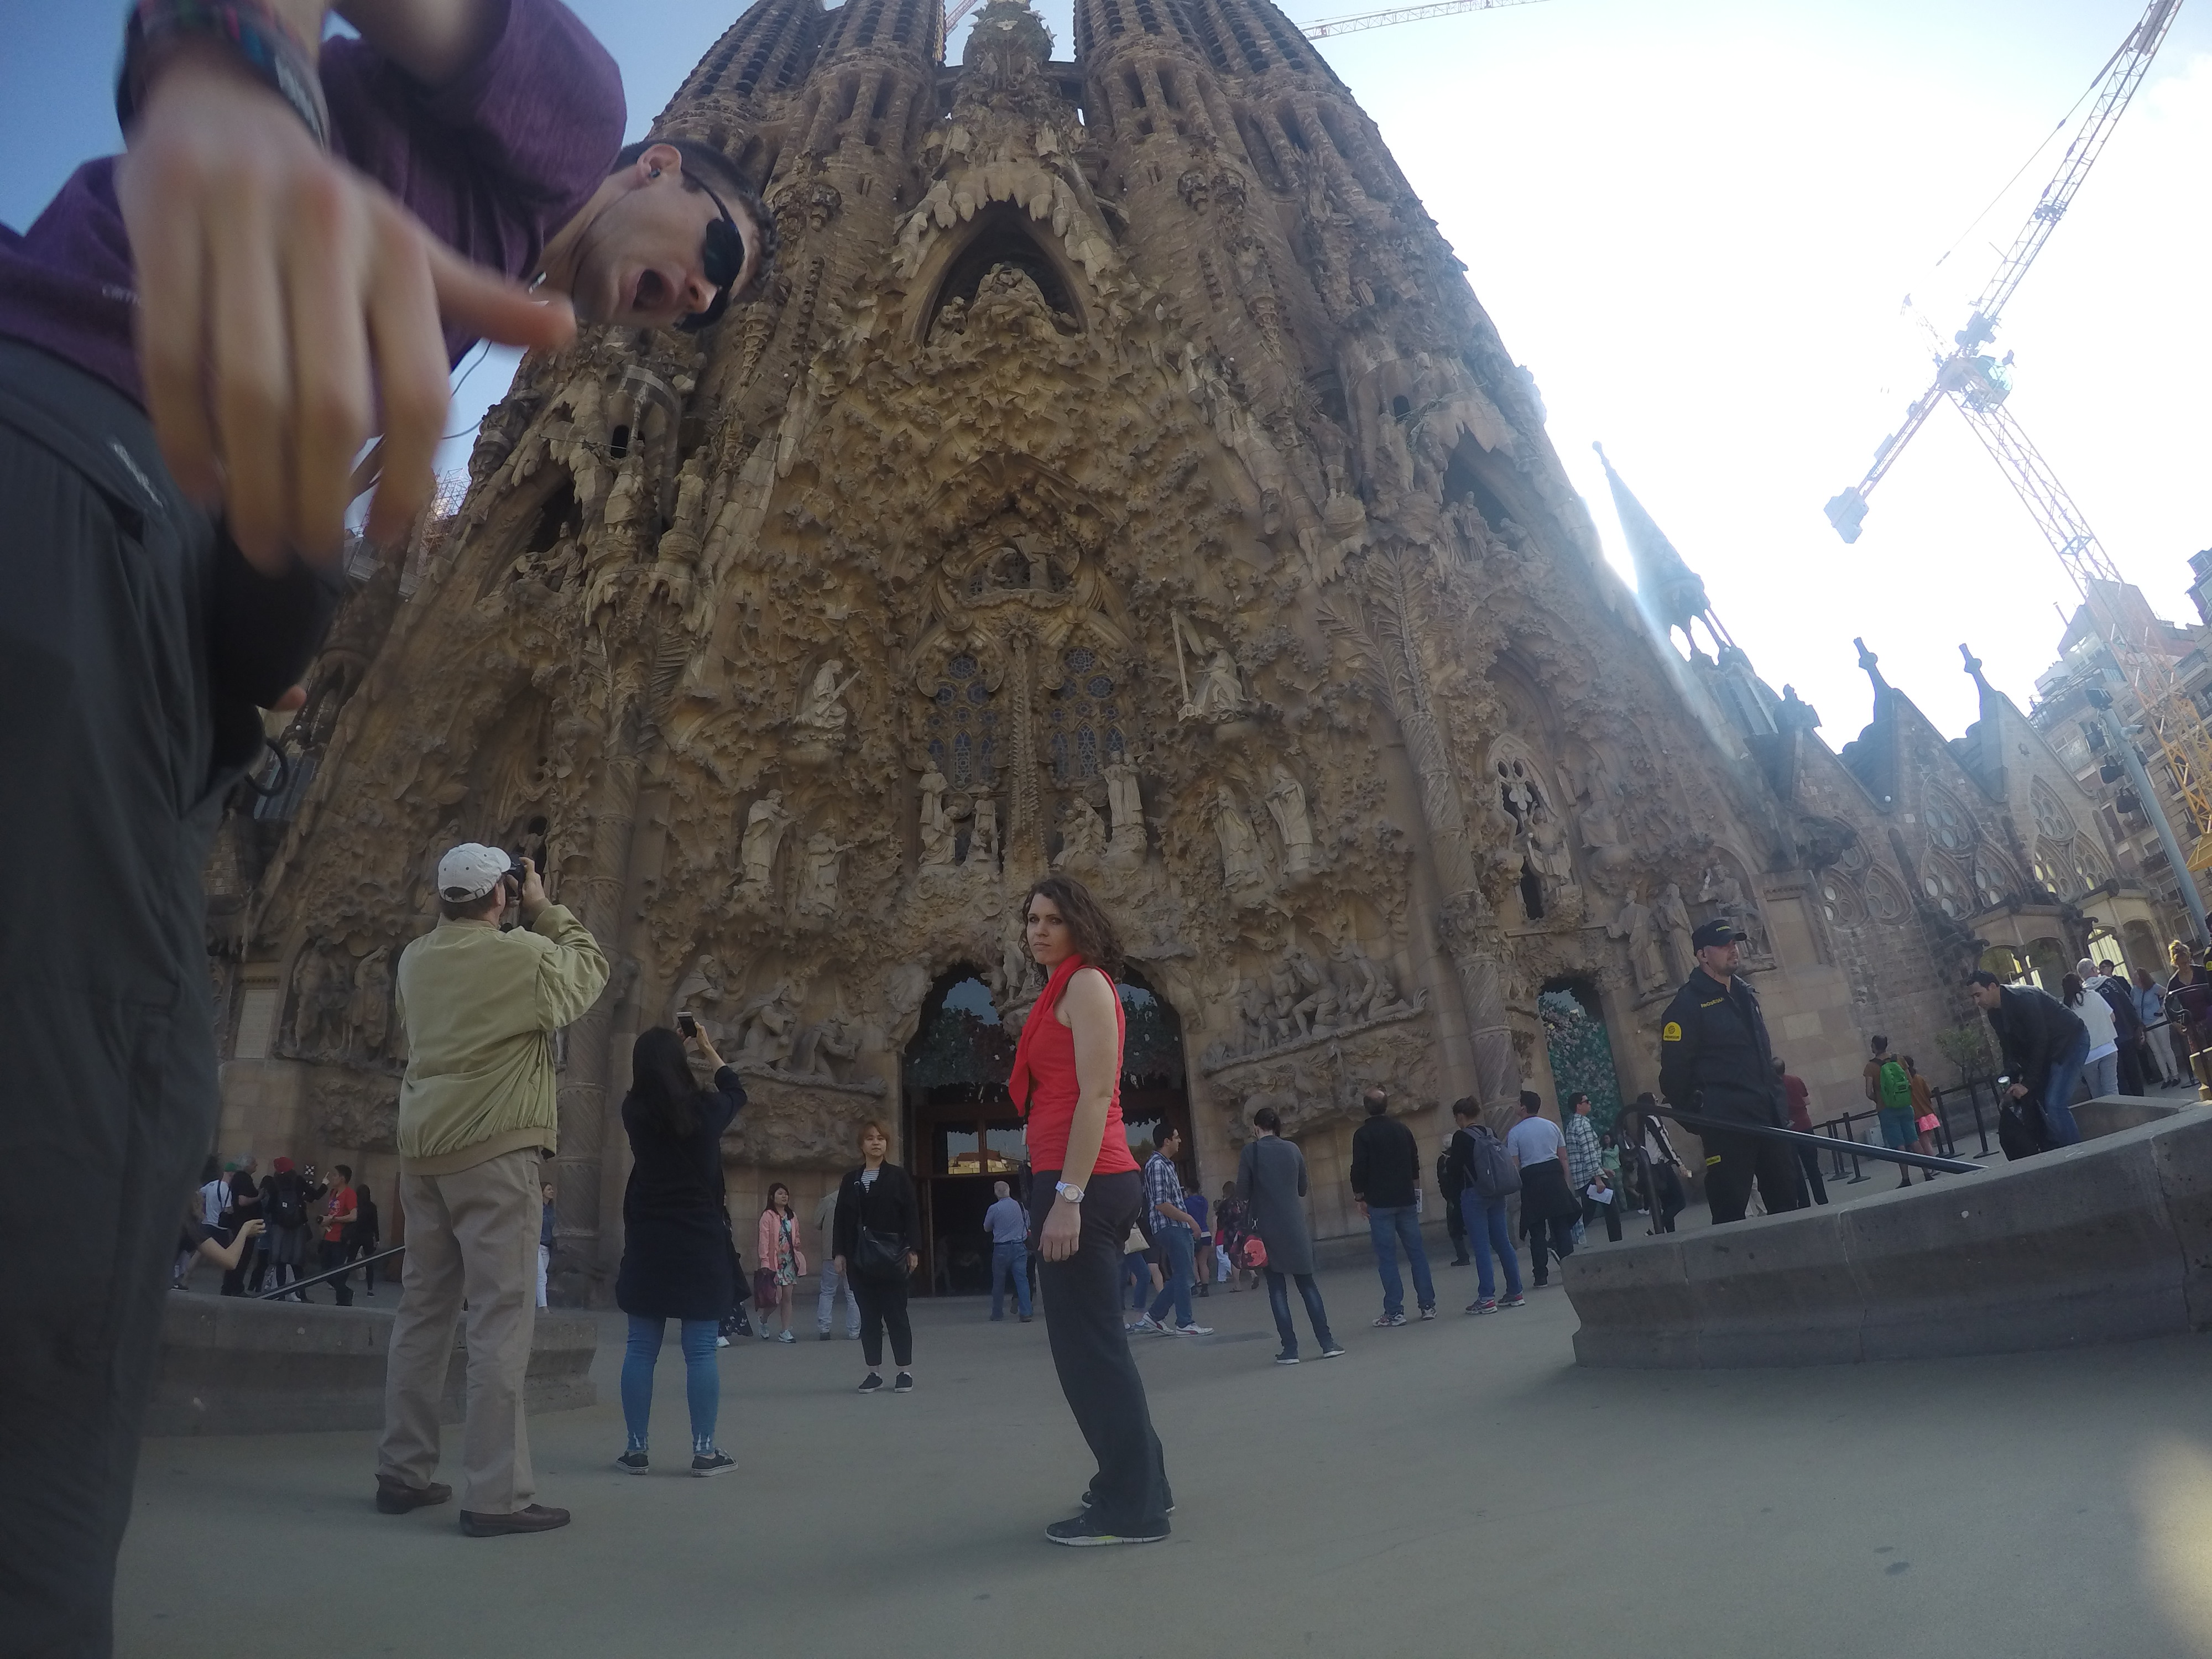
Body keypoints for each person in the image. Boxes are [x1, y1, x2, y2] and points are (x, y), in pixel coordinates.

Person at [0, 3, 770, 1638]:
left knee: (128, 1116)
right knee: (93, 1133)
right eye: (712, 248)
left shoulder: (465, 296)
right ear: (653, 166)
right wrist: (240, 97)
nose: (702, 294)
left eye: (721, 301)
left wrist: (273, 622)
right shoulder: (574, 107)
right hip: (81, 446)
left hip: (142, 560)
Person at [377, 843, 609, 1537]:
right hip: (495, 1149)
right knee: (499, 1322)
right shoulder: (521, 955)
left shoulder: (414, 960)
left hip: (421, 1152)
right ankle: (496, 1495)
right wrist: (546, 909)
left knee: (422, 1313)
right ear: (500, 895)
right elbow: (590, 970)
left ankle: (402, 1470)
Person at [1008, 875, 1174, 1545]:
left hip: (1087, 1180)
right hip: (1075, 1176)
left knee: (1089, 1354)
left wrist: (1067, 1198)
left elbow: (1096, 1093)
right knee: (1096, 1348)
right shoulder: (1060, 989)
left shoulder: (1085, 985)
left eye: (1053, 919)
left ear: (1080, 924)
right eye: (1032, 919)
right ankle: (1146, 1487)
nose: (1039, 930)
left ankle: (1130, 1509)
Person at [612, 1023, 745, 1478]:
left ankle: (636, 1450)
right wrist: (707, 1048)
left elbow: (651, 1090)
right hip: (699, 1241)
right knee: (701, 1351)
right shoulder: (707, 1110)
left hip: (650, 1239)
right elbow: (736, 1090)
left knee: (640, 1348)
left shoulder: (633, 1112)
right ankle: (704, 1451)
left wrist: (665, 1050)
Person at [1657, 919, 1804, 1224]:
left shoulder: (1745, 993)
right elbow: (1674, 1074)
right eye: (1724, 946)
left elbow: (1762, 1056)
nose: (1733, 950)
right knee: (1730, 1210)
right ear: (1702, 955)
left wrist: (1776, 1102)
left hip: (1769, 1117)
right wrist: (1702, 1119)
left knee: (1787, 1204)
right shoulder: (1686, 1006)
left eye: (1734, 944)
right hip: (1727, 1125)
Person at [1237, 1106, 1344, 1363]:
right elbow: (1302, 1188)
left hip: (1266, 1229)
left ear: (1256, 1128)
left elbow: (1242, 1192)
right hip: (1295, 1226)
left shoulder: (1251, 1152)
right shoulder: (1293, 1149)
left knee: (1277, 1289)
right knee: (1307, 1285)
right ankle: (1327, 1343)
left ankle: (1290, 1349)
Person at [832, 1122, 920, 1397]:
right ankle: (874, 1373)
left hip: (892, 1256)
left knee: (897, 1315)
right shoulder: (851, 1180)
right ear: (862, 1145)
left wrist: (913, 1249)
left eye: (881, 1138)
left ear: (887, 1144)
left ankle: (904, 1371)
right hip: (860, 1259)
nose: (876, 1142)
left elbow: (912, 1214)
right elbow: (841, 1219)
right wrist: (839, 1253)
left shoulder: (898, 1177)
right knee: (869, 1318)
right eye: (870, 1138)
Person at [1966, 969, 2086, 1148]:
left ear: (1991, 987)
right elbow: (2008, 1048)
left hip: (2071, 1042)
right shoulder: (1994, 1013)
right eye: (1973, 997)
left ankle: (2079, 1154)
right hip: (2048, 1051)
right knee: (2041, 1101)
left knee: (2055, 1104)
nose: (1976, 1002)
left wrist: (2027, 1083)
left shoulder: (2023, 998)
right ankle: (2058, 1149)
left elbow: (2040, 1040)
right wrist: (2010, 1081)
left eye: (1978, 995)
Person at [1348, 1086, 1435, 1325]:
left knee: (1387, 1259)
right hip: (1405, 1198)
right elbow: (1414, 1162)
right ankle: (1428, 1305)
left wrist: (1359, 1197)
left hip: (1380, 1202)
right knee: (1417, 1254)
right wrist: (1415, 1191)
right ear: (1387, 1105)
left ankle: (1395, 1311)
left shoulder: (1363, 1135)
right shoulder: (1402, 1129)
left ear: (1366, 1108)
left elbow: (1359, 1168)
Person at [1442, 1099, 1523, 1313]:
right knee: (1503, 1242)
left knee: (1481, 1246)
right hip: (1496, 1191)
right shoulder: (1490, 1132)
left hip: (1474, 1193)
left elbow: (1455, 1169)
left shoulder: (1461, 1137)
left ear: (1461, 1116)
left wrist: (1449, 1161)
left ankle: (1487, 1297)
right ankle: (1515, 1291)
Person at [1132, 1126, 1211, 1337]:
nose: (1180, 1141)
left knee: (1182, 1275)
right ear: (1166, 1141)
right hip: (1171, 1226)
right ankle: (1184, 1322)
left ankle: (1154, 1316)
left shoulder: (1163, 1164)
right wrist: (1190, 1219)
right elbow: (1161, 1204)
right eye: (1176, 1137)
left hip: (1172, 1226)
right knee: (1184, 1276)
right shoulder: (1158, 1165)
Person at [1506, 1092, 1578, 1287]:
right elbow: (1563, 1157)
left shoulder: (1515, 1133)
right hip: (1554, 1176)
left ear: (1523, 1107)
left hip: (1532, 1179)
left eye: (1518, 1103)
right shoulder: (1552, 1126)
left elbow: (1514, 1165)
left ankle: (1541, 1276)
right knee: (1561, 1226)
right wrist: (1565, 1181)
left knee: (1536, 1229)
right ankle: (1570, 1271)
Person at [1620, 1094, 1688, 1232]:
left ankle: (1669, 1233)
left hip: (1652, 1167)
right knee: (1679, 1202)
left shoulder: (1643, 1122)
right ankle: (1656, 1229)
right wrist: (1679, 1162)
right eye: (1655, 1101)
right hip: (1661, 1166)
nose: (1657, 1103)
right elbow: (1664, 1143)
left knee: (1668, 1203)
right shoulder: (1653, 1119)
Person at [258, 1157, 322, 1300]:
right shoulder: (298, 1180)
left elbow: (270, 1207)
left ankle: (281, 1294)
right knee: (297, 1263)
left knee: (280, 1262)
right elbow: (316, 1195)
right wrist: (324, 1185)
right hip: (297, 1226)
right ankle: (303, 1295)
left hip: (279, 1226)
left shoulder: (274, 1183)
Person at [1773, 1057, 1828, 1206]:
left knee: (1796, 1171)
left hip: (1788, 1130)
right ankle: (1822, 1199)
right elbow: (1807, 1101)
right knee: (1813, 1167)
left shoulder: (1773, 1086)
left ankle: (1804, 1203)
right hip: (1805, 1125)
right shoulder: (1796, 1080)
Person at [755, 1183, 806, 1343]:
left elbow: (797, 1234)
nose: (784, 1197)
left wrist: (797, 1245)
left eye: (786, 1194)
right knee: (775, 1299)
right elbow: (764, 1240)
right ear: (772, 1197)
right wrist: (764, 1260)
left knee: (787, 1298)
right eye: (781, 1194)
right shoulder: (768, 1216)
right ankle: (763, 1320)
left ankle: (785, 1331)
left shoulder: (792, 1216)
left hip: (789, 1261)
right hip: (774, 1262)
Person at [2087, 959, 2145, 1096]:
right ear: (2093, 970)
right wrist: (2137, 1025)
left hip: (2106, 1040)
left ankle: (2127, 1104)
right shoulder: (2110, 983)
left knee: (2118, 1077)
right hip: (2124, 1032)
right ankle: (2141, 1100)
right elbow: (2126, 1003)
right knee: (2133, 1072)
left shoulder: (2084, 993)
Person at [2063, 972, 2121, 1104]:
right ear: (2080, 983)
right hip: (2108, 1047)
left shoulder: (2067, 1007)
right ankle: (2119, 1114)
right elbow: (2112, 1018)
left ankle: (2104, 1116)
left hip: (2087, 1055)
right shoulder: (2095, 995)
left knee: (2097, 1093)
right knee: (2112, 1089)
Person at [1870, 1045, 1922, 1188]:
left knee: (1899, 1145)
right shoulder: (1899, 1059)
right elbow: (1910, 1082)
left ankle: (1906, 1178)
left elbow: (1868, 1092)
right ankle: (1928, 1171)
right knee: (1914, 1140)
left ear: (1874, 1046)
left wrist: (1880, 1100)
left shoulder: (1871, 1066)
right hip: (1905, 1105)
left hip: (1887, 1109)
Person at [813, 1184, 860, 1340]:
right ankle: (854, 1331)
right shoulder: (859, 1199)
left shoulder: (828, 1200)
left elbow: (817, 1222)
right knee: (853, 1293)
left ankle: (824, 1328)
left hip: (831, 1252)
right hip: (853, 1253)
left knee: (827, 1292)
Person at [2166, 942, 2212, 1100]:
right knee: (2199, 1057)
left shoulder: (2200, 971)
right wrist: (2175, 1022)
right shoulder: (2174, 982)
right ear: (2175, 964)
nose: (2185, 967)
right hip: (2192, 1022)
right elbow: (2167, 1003)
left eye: (2187, 963)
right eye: (2181, 964)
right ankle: (2207, 1083)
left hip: (2209, 1015)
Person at [175, 1159, 229, 1291]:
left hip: (207, 1223)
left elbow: (200, 1193)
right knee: (226, 1255)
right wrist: (245, 1230)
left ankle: (184, 1279)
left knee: (197, 1254)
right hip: (219, 1226)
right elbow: (228, 1209)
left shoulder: (209, 1186)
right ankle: (227, 1284)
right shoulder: (226, 1189)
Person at [983, 1180, 1033, 1322]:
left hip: (1001, 1248)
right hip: (1019, 1246)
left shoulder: (994, 1208)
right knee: (1022, 1280)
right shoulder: (1021, 1207)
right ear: (1009, 1191)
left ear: (996, 1193)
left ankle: (997, 1313)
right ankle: (1026, 1313)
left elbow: (987, 1228)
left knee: (999, 1282)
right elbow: (1028, 1224)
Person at [218, 1159, 264, 1296]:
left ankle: (228, 1287)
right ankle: (236, 1288)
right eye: (254, 1163)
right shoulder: (244, 1179)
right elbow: (242, 1201)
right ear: (247, 1164)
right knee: (242, 1257)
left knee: (237, 1256)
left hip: (239, 1223)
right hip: (244, 1224)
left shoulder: (238, 1179)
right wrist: (259, 1197)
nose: (256, 1165)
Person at [1562, 1092, 1603, 1244]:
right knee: (1607, 1207)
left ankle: (1562, 1238)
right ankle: (1617, 1242)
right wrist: (1598, 1177)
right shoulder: (1583, 1125)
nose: (1590, 1103)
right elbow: (1589, 1152)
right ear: (1579, 1106)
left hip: (1583, 1175)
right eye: (1587, 1101)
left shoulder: (1572, 1124)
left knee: (1588, 1211)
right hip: (1589, 1175)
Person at [317, 1165, 359, 1306]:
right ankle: (346, 1293)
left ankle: (343, 1300)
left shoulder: (349, 1194)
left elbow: (353, 1216)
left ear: (343, 1178)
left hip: (340, 1238)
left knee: (337, 1271)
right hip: (328, 1235)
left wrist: (334, 1220)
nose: (333, 1178)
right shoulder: (333, 1193)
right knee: (325, 1270)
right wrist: (325, 1219)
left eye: (335, 1175)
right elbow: (332, 1213)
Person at [2136, 966, 2182, 1088]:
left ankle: (2175, 1075)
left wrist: (2162, 1008)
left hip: (2158, 1020)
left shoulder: (2154, 988)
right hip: (2146, 1024)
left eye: (2136, 976)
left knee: (2166, 1048)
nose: (2134, 978)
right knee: (2156, 1052)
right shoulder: (2134, 991)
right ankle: (2165, 1077)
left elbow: (2168, 995)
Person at [350, 1183, 384, 1297]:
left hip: (356, 1235)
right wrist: (377, 1238)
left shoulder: (355, 1206)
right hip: (368, 1236)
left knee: (350, 1260)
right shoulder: (372, 1207)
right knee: (370, 1263)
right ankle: (370, 1289)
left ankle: (341, 1283)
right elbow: (375, 1223)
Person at [1214, 1181, 1248, 1290]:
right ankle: (1253, 1274)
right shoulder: (1242, 1202)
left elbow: (1221, 1223)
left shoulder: (1225, 1205)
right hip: (1244, 1231)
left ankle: (1237, 1285)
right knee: (1245, 1254)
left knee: (1234, 1258)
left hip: (1231, 1233)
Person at [1185, 1184, 1213, 1298]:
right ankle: (1205, 1289)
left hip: (1193, 1233)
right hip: (1206, 1232)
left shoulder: (1187, 1203)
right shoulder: (1204, 1201)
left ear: (1189, 1190)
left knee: (1192, 1261)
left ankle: (1196, 1284)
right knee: (1203, 1262)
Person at [538, 1182, 556, 1311]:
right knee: (542, 1277)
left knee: (540, 1277)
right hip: (537, 1245)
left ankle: (532, 1304)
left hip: (547, 1246)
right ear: (542, 1192)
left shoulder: (550, 1210)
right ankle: (544, 1307)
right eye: (549, 1189)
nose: (552, 1191)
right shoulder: (538, 1208)